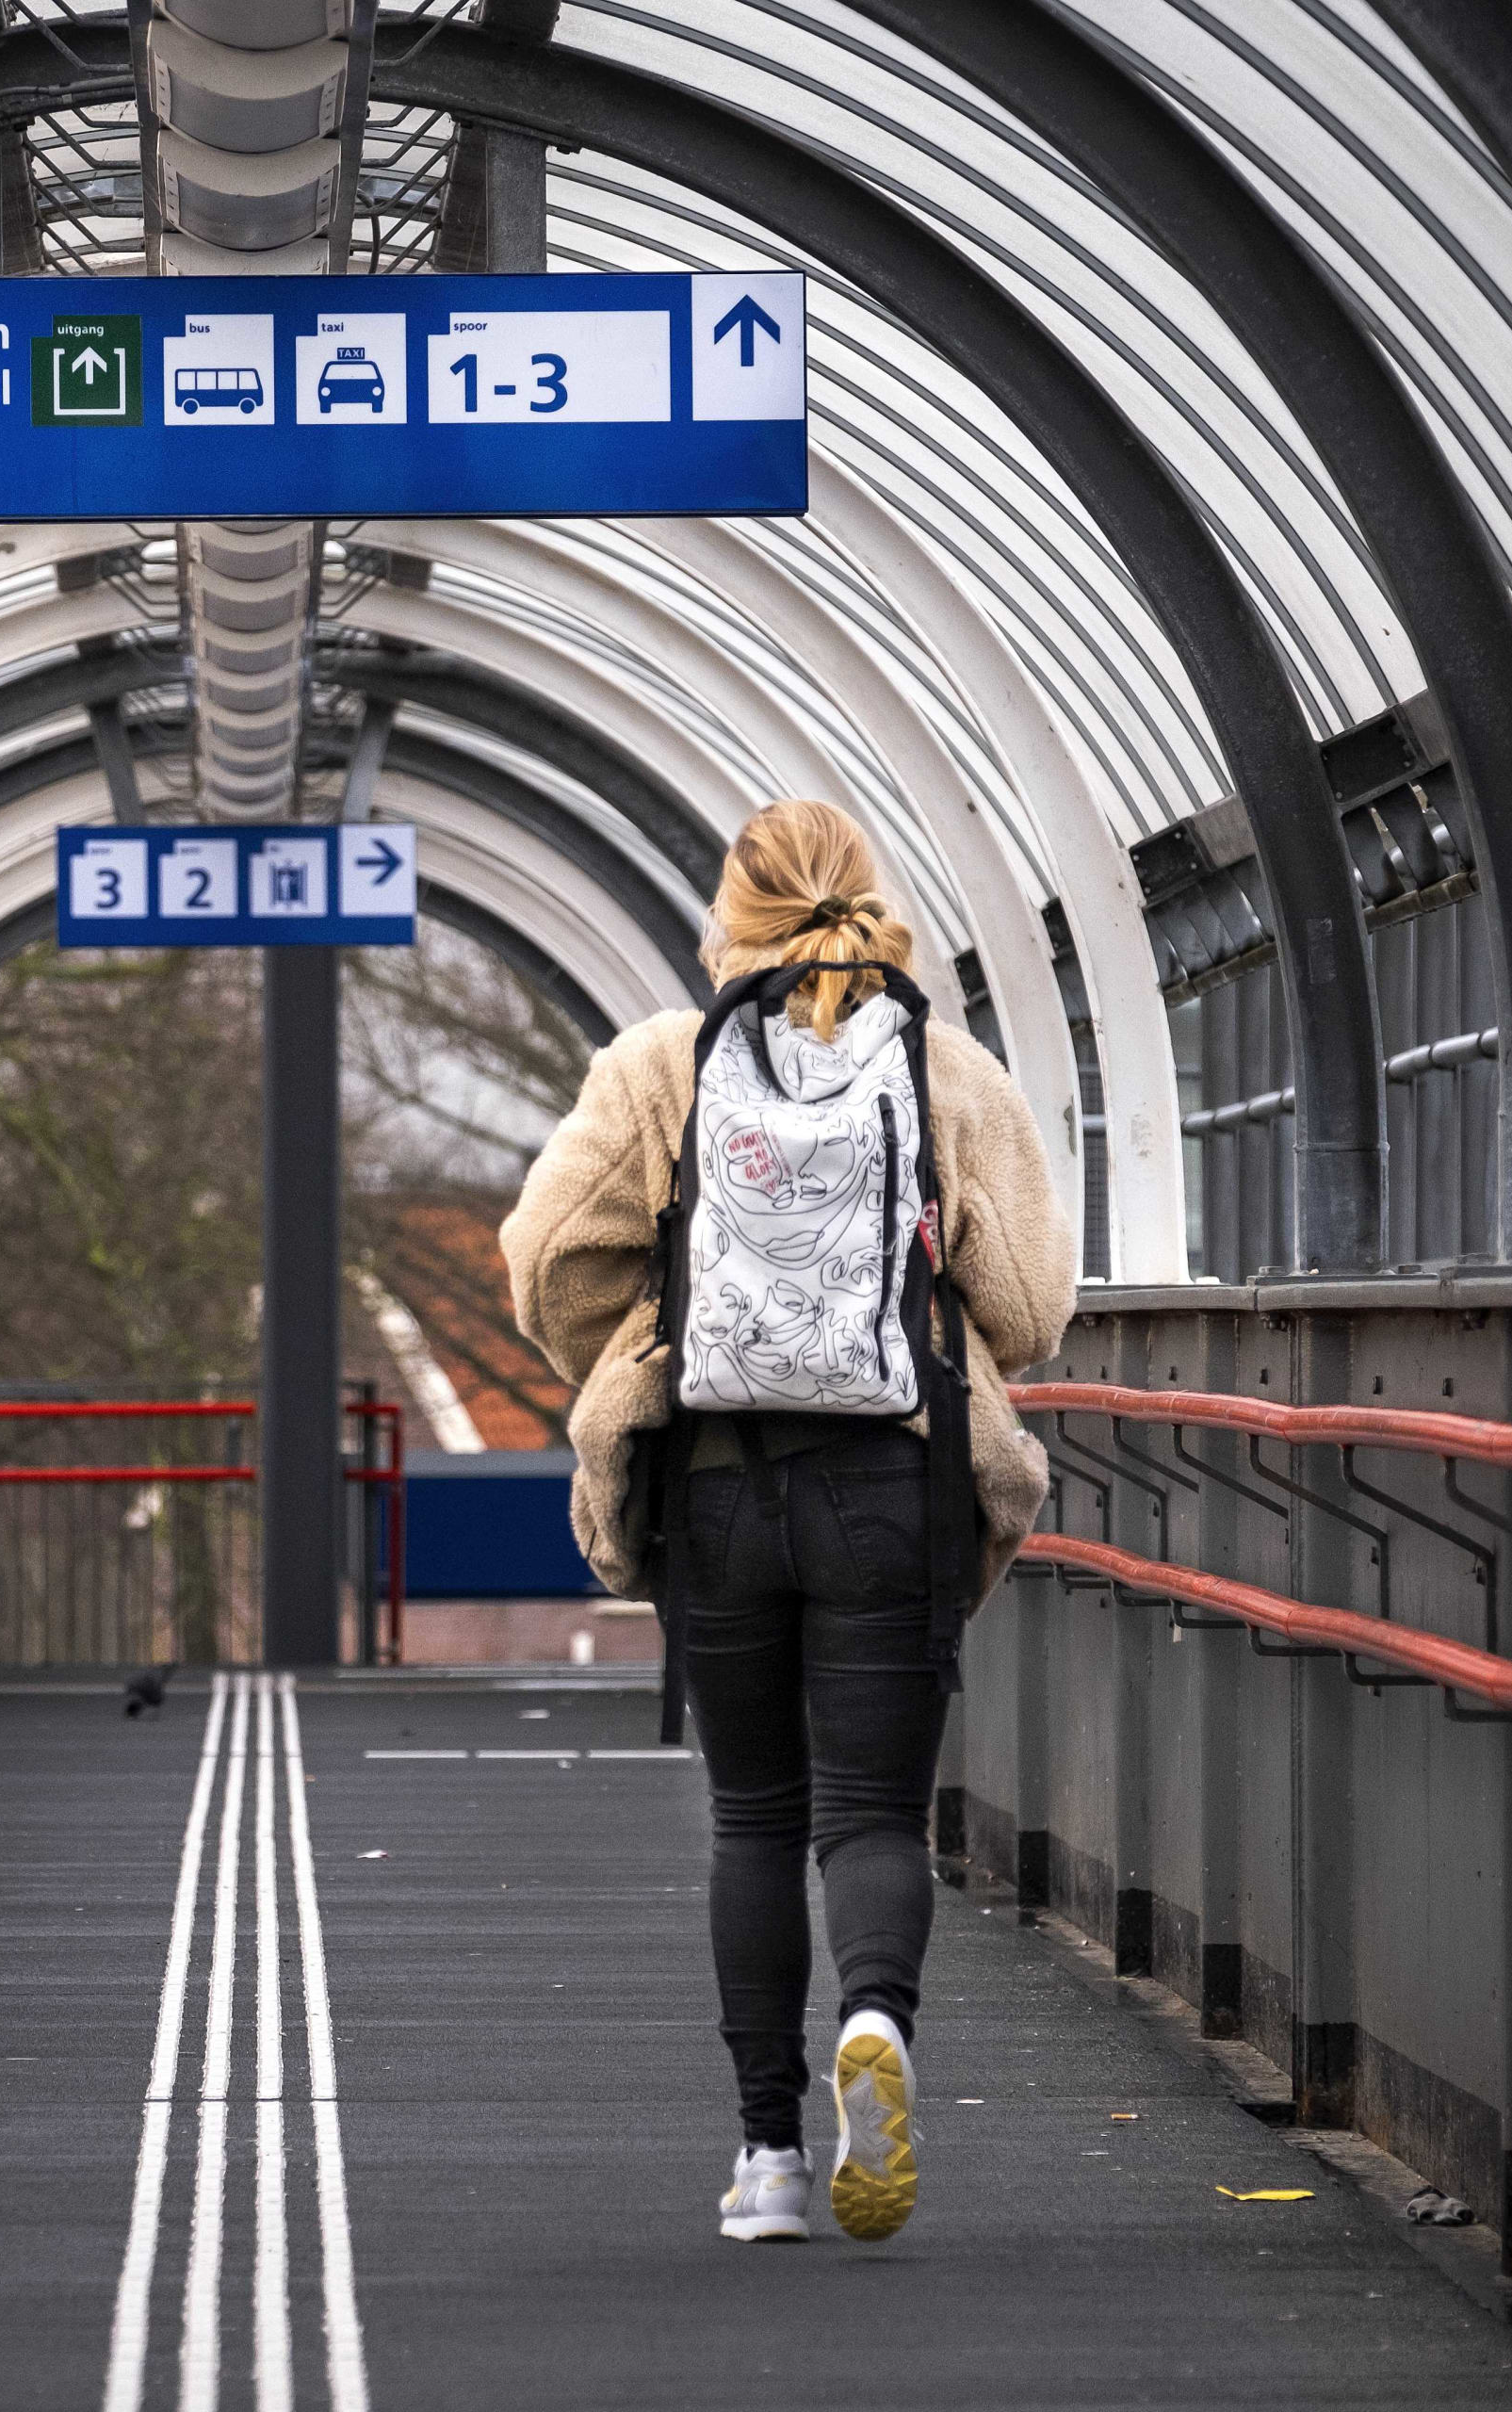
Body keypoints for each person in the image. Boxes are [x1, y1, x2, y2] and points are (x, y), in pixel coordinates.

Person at [501, 798, 1074, 2244]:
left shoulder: (658, 1066)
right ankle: (874, 2019)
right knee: (871, 1812)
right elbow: (1032, 1313)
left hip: (716, 1486)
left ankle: (766, 2161)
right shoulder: (949, 1073)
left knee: (753, 1814)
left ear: (728, 920)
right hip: (890, 1485)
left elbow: (547, 1266)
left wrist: (659, 1324)